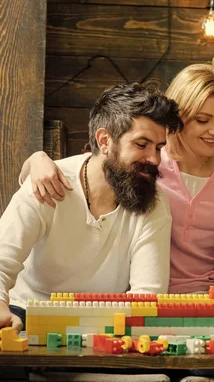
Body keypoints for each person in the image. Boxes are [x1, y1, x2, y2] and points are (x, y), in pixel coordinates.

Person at [20, 64, 214, 295]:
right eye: (202, 119)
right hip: (136, 290)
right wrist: (36, 159)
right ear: (178, 117)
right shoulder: (147, 159)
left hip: (207, 293)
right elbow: (93, 169)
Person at [1, 83, 182, 332]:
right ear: (105, 140)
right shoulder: (46, 182)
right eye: (142, 144)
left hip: (108, 321)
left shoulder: (154, 202)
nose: (155, 159)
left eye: (159, 148)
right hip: (30, 311)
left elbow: (146, 296)